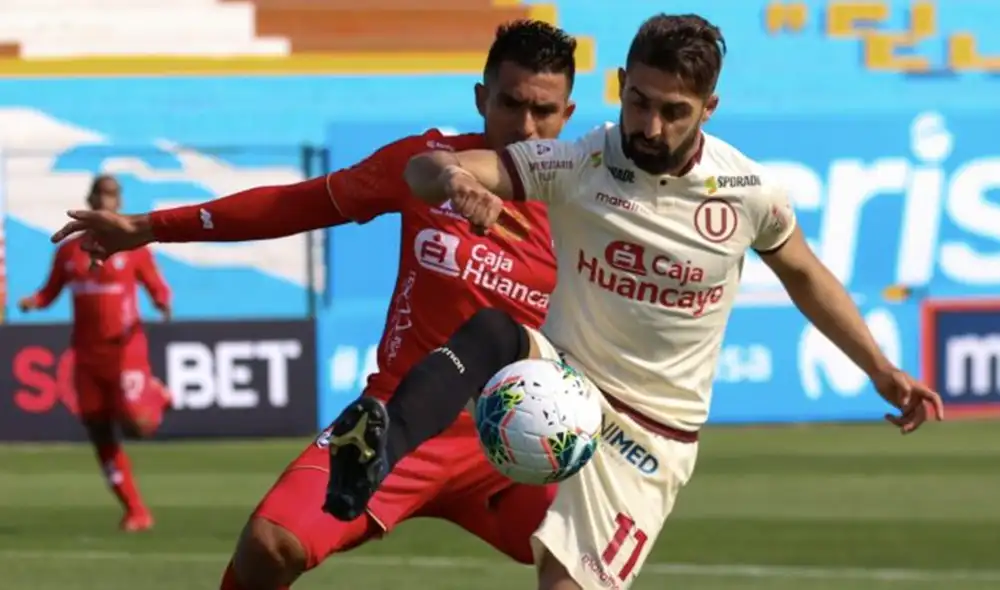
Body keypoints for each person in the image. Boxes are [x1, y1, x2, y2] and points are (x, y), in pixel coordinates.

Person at [314, 13, 947, 590]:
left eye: (674, 111)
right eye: (637, 101)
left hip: (649, 434)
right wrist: (455, 180)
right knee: (495, 332)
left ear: (709, 108)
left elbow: (805, 275)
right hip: (562, 377)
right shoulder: (582, 159)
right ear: (619, 82)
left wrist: (881, 369)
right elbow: (427, 167)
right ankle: (378, 450)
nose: (648, 126)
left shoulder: (750, 192)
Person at [49, 20, 578, 590]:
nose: (525, 126)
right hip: (395, 420)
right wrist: (149, 226)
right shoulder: (428, 165)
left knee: (582, 568)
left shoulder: (588, 206)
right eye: (510, 103)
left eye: (543, 111)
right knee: (268, 546)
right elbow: (294, 205)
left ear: (567, 115)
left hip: (519, 436)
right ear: (482, 97)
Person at [19, 173, 172, 532]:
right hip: (86, 357)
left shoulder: (132, 246)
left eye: (113, 195)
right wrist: (32, 302)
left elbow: (155, 284)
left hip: (125, 350)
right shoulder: (69, 252)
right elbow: (50, 292)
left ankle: (160, 395)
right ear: (91, 200)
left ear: (119, 202)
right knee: (99, 431)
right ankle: (135, 510)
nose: (107, 201)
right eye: (101, 195)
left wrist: (162, 300)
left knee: (138, 426)